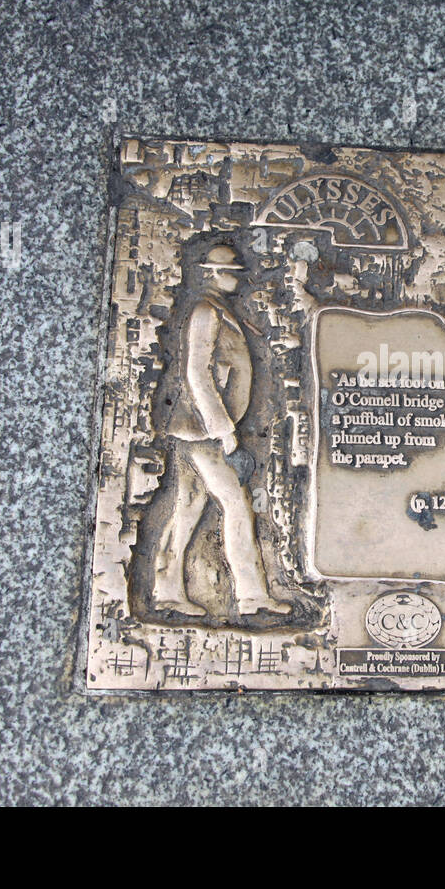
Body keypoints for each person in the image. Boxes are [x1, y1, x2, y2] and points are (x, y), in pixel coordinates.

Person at [133, 244, 291, 618]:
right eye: (230, 271)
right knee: (237, 504)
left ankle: (166, 588)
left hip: (195, 431)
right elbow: (196, 374)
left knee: (188, 507)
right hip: (203, 430)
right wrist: (224, 431)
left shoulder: (218, 308)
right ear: (211, 274)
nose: (237, 276)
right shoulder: (205, 311)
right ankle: (252, 595)